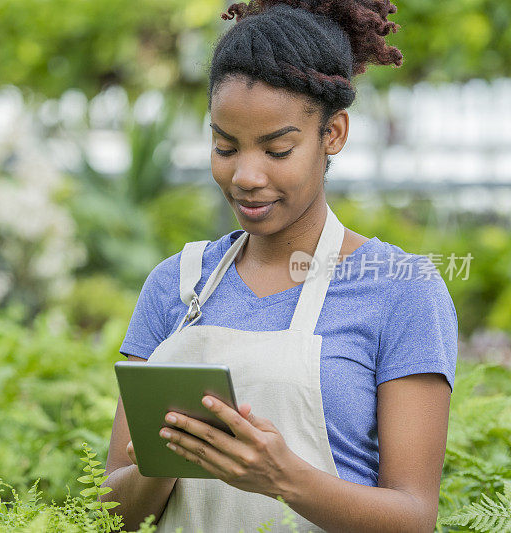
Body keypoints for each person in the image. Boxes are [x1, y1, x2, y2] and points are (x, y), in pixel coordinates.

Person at [101, 1, 458, 532]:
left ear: (332, 133)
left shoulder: (400, 291)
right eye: (225, 146)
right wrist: (166, 460)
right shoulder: (174, 283)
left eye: (278, 149)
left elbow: (414, 518)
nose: (245, 175)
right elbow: (108, 512)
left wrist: (282, 476)